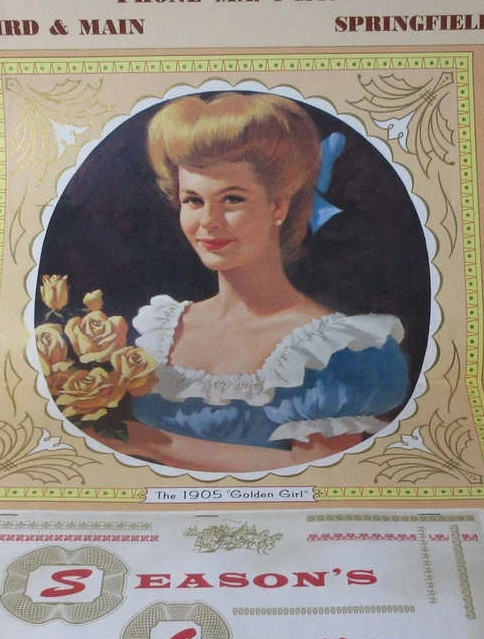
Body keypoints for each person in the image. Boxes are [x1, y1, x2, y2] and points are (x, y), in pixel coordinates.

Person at [121, 92, 409, 472]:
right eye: (193, 200)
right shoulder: (155, 332)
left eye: (232, 199)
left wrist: (150, 445)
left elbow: (322, 477)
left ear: (278, 205)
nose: (208, 222)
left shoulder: (337, 352)